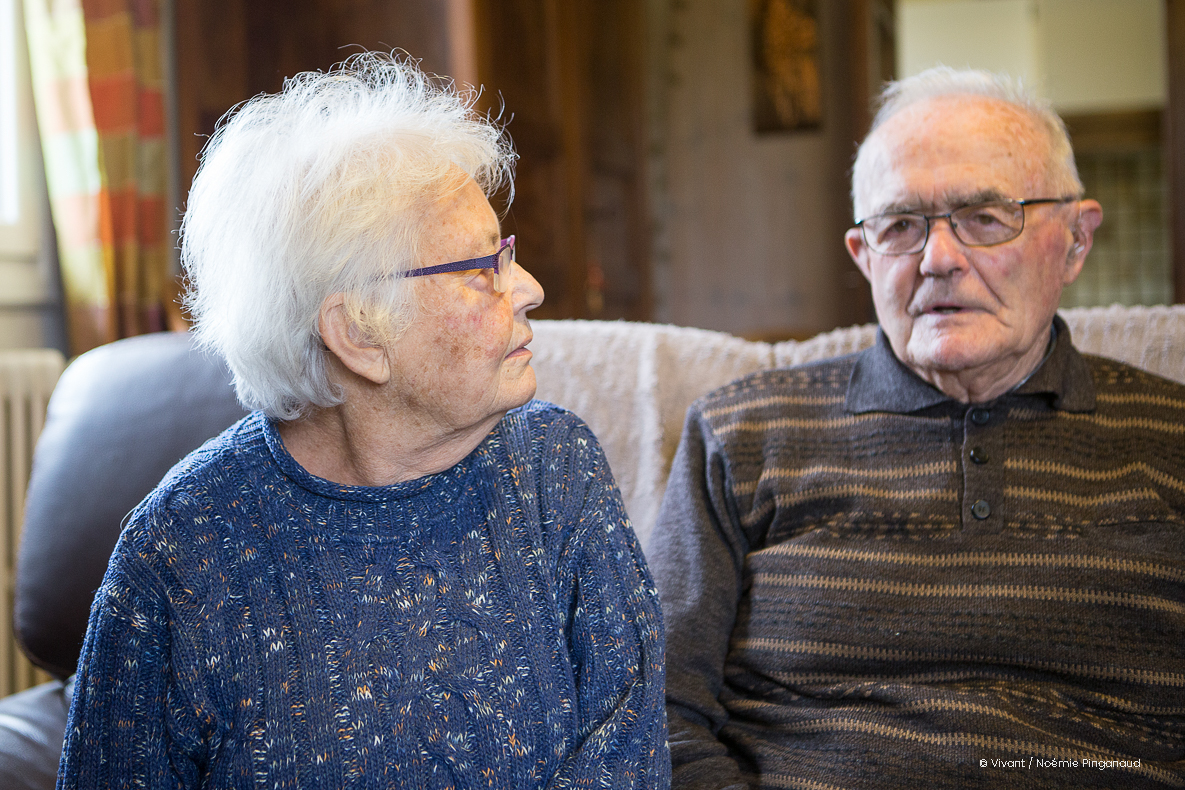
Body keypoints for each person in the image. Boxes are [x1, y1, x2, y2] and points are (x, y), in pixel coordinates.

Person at [57, 54, 668, 790]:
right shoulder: (182, 554)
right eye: (482, 269)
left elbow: (629, 753)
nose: (530, 288)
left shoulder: (555, 469)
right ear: (359, 336)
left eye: (506, 254)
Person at [650, 66, 1185, 789]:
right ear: (863, 257)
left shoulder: (1170, 437)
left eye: (984, 218)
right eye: (900, 226)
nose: (937, 260)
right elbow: (653, 710)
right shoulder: (741, 434)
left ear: (1075, 240)